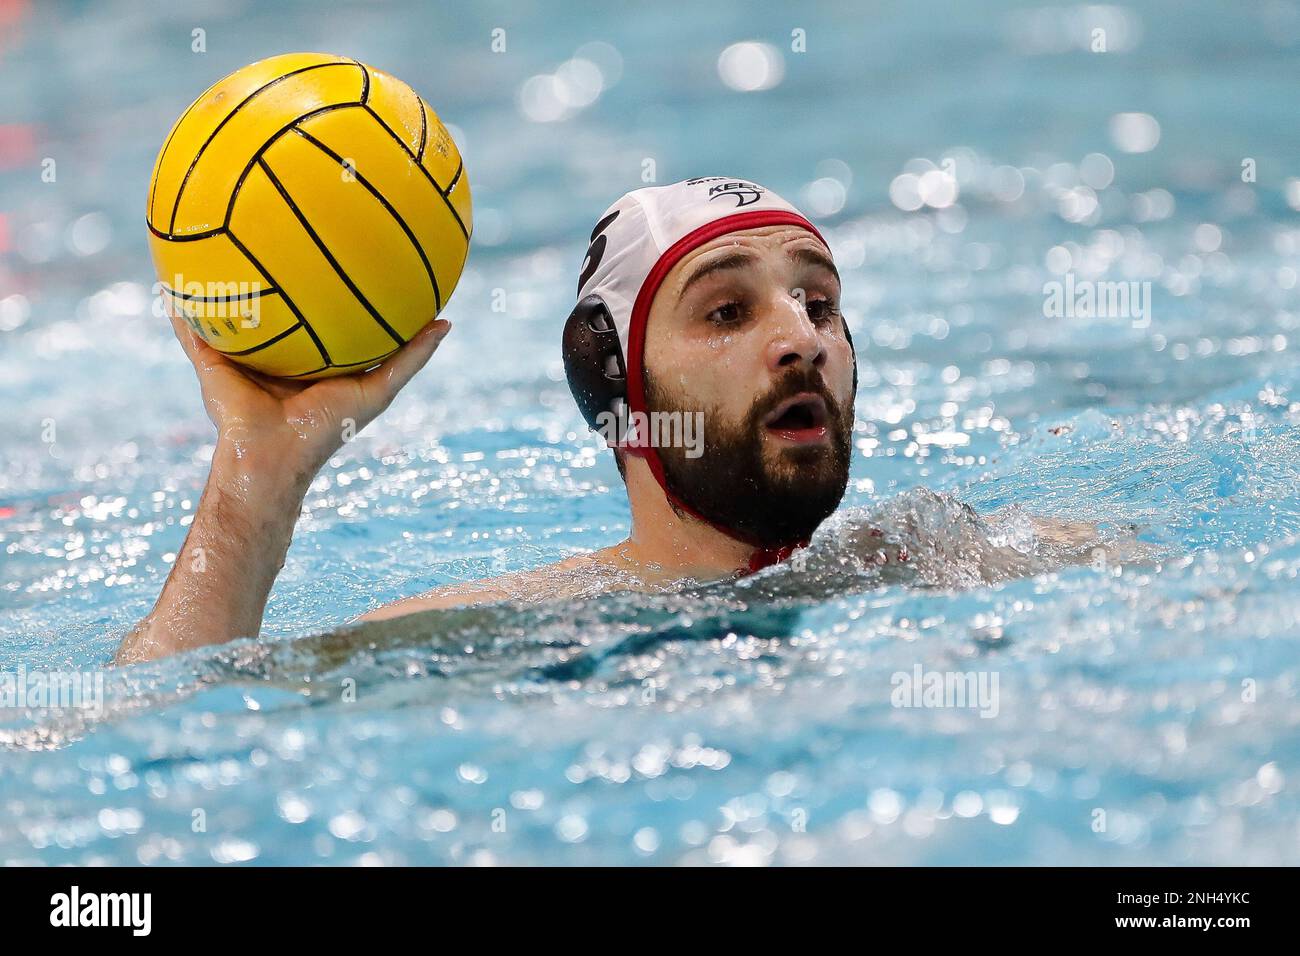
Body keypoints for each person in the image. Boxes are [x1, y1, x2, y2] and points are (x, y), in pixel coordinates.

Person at [116, 177, 1105, 664]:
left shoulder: (965, 555)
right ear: (615, 387)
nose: (800, 338)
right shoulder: (499, 632)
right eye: (725, 310)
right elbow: (163, 722)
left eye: (819, 301)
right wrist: (257, 480)